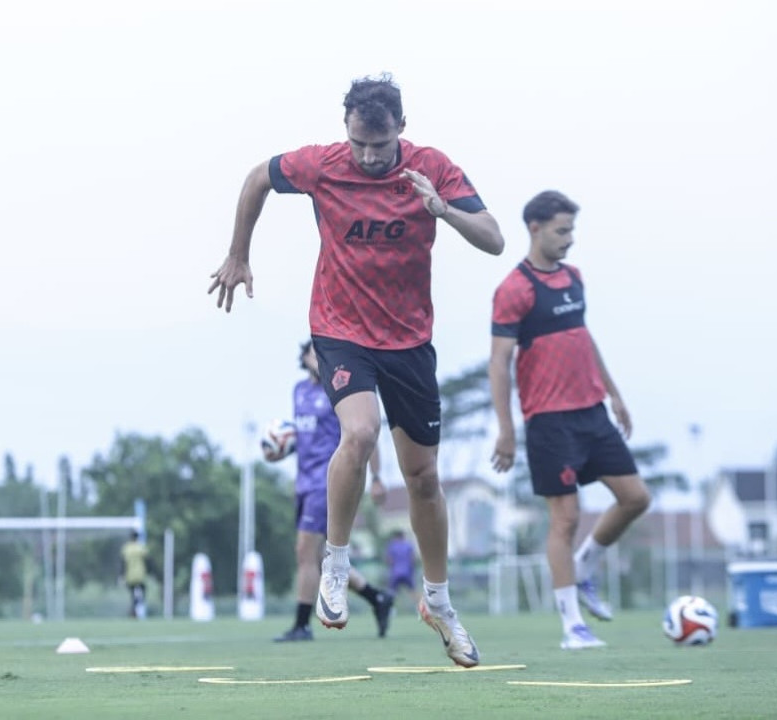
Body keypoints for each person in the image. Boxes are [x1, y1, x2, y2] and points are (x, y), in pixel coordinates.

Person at [209, 73, 504, 667]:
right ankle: (335, 565)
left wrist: (442, 210)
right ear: (347, 130)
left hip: (409, 339)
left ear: (402, 128)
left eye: (381, 144)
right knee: (361, 431)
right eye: (360, 144)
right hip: (339, 330)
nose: (370, 157)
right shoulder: (322, 165)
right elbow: (256, 178)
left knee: (422, 478)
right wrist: (238, 253)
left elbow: (495, 240)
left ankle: (439, 604)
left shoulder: (433, 168)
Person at [488, 190, 651, 650]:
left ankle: (587, 565)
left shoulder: (574, 278)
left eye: (572, 230)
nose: (570, 239)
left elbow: (583, 336)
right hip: (548, 421)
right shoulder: (514, 290)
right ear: (535, 228)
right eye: (562, 230)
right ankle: (572, 626)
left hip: (592, 412)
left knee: (636, 498)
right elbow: (498, 363)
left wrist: (615, 395)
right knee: (565, 518)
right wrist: (506, 430)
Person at [273, 340, 395, 642]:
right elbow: (305, 438)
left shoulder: (338, 389)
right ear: (302, 357)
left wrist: (377, 477)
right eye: (312, 352)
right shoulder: (299, 391)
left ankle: (301, 625)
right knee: (313, 560)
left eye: (321, 351)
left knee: (305, 552)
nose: (318, 356)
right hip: (302, 483)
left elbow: (366, 435)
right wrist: (281, 449)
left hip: (324, 484)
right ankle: (377, 598)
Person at [120, 530, 149, 619]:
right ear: (137, 538)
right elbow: (148, 561)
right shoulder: (141, 548)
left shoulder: (126, 548)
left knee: (132, 595)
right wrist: (150, 572)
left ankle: (133, 610)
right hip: (140, 575)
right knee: (143, 592)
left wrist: (121, 575)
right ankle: (134, 608)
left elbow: (122, 563)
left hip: (129, 575)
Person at [384, 529, 418, 604]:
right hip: (407, 572)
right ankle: (420, 608)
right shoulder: (409, 545)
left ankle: (389, 609)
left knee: (391, 593)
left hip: (395, 573)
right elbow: (413, 559)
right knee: (413, 591)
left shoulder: (392, 545)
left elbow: (389, 560)